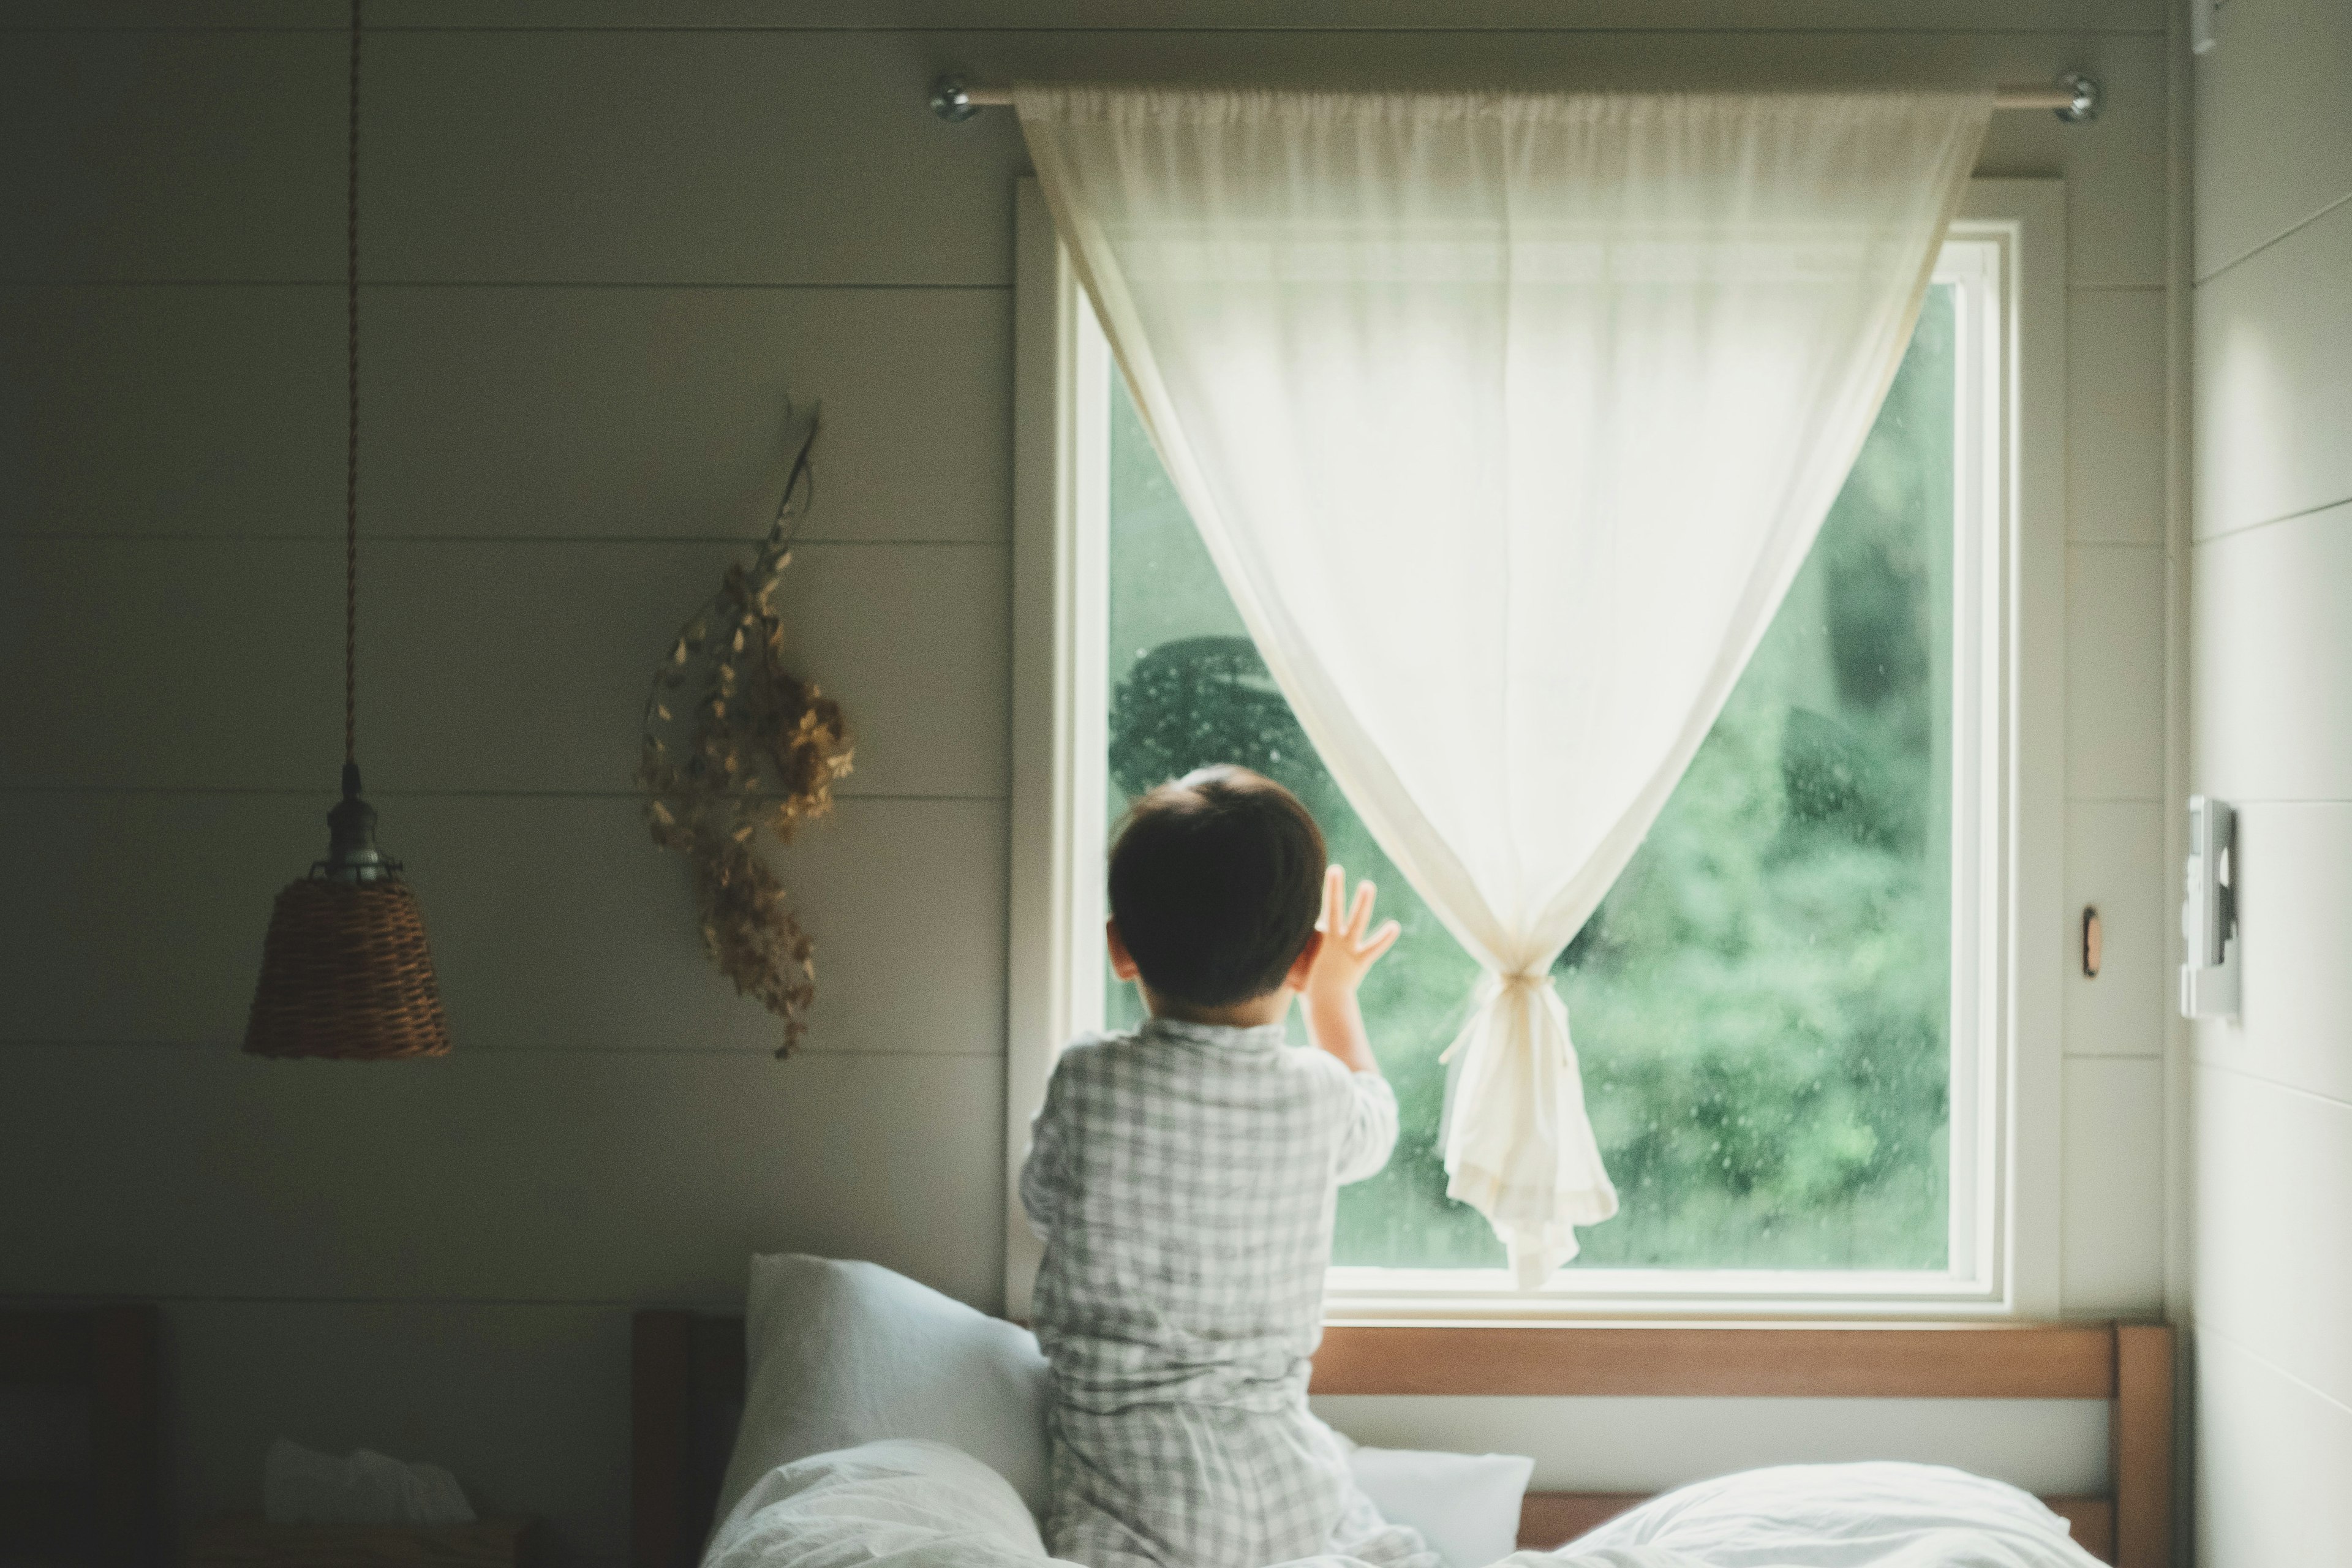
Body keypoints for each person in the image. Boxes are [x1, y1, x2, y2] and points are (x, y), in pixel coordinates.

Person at [1020, 765, 1439, 1568]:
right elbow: (1376, 1126)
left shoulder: (1089, 1079)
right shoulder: (1320, 1095)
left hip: (1129, 1472)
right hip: (1286, 1471)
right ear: (1305, 959)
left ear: (1119, 950)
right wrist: (1336, 1003)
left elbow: (1043, 1203)